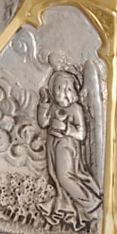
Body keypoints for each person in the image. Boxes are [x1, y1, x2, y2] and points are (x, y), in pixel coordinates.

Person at [38, 69, 101, 225]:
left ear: (72, 91)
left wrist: (66, 128)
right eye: (58, 88)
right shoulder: (53, 106)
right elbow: (43, 123)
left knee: (65, 177)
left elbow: (81, 134)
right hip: (53, 145)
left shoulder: (75, 109)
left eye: (66, 89)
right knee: (57, 178)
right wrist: (44, 104)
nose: (62, 93)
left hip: (66, 146)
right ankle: (70, 208)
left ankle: (91, 204)